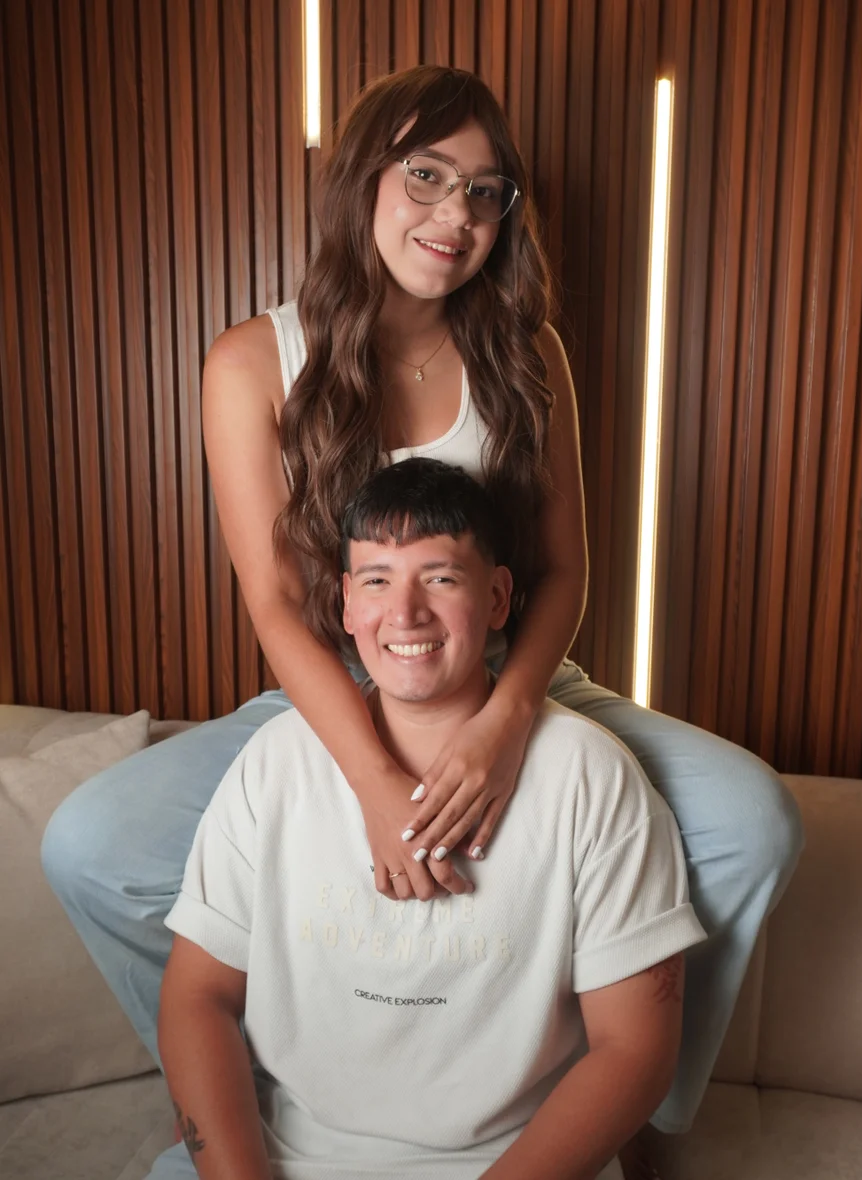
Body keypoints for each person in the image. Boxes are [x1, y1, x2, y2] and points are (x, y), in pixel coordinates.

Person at [41, 64, 802, 1137]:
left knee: (756, 822)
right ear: (361, 178)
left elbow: (565, 571)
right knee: (87, 845)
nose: (456, 215)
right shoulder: (252, 362)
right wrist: (371, 779)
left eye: (485, 191)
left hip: (512, 676)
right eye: (426, 175)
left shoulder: (529, 355)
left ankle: (632, 1114)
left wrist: (505, 723)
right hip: (336, 687)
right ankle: (231, 1092)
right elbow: (274, 601)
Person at [151, 458, 707, 1180]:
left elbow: (635, 1052)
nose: (406, 612)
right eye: (377, 581)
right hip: (287, 1156)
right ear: (346, 604)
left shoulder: (591, 777)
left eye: (440, 578)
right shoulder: (275, 764)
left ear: (498, 597)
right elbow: (197, 997)